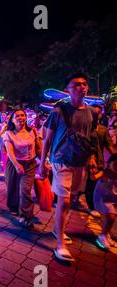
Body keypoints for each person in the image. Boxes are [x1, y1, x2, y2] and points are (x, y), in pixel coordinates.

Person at [39, 72, 99, 262]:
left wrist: (92, 158)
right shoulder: (58, 112)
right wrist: (42, 164)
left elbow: (91, 137)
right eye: (77, 84)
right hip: (61, 160)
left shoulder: (92, 113)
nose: (82, 87)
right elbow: (47, 139)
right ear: (68, 89)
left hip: (80, 161)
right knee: (64, 200)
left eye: (84, 84)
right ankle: (60, 246)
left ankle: (58, 229)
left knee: (71, 199)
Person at [3, 109, 41, 228]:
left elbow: (39, 148)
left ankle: (25, 216)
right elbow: (10, 152)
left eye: (22, 115)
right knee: (12, 188)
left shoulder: (33, 131)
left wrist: (45, 162)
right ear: (13, 120)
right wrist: (16, 165)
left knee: (25, 190)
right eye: (17, 116)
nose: (20, 118)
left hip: (30, 165)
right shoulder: (8, 133)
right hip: (14, 164)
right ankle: (13, 207)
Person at [82, 105, 114, 217]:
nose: (96, 114)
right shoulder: (83, 127)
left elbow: (109, 145)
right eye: (94, 112)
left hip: (98, 161)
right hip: (82, 160)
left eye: (99, 112)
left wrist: (114, 155)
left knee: (92, 184)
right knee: (81, 184)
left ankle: (92, 207)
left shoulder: (103, 129)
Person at [93, 154, 117, 250]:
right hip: (103, 198)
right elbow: (94, 177)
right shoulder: (105, 172)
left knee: (112, 218)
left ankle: (106, 234)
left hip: (113, 199)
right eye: (116, 164)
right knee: (111, 217)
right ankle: (102, 236)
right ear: (109, 164)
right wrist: (93, 172)